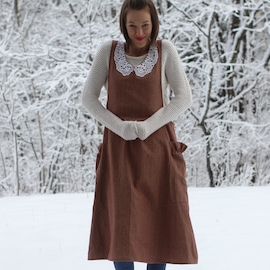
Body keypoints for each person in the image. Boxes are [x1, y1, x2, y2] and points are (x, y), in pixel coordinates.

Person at [81, 0, 198, 269]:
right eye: (132, 25)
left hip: (158, 148)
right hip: (118, 149)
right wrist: (119, 126)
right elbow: (88, 99)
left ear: (154, 23)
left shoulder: (165, 51)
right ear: (123, 24)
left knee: (158, 219)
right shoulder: (107, 53)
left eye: (145, 24)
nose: (139, 32)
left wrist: (148, 126)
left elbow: (183, 98)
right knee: (121, 222)